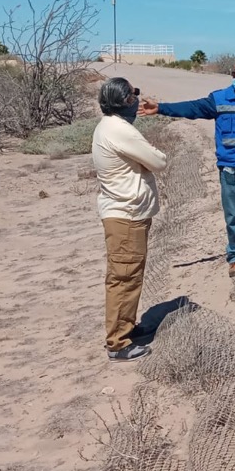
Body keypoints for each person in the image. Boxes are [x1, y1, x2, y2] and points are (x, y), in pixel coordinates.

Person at [138, 56, 235, 278]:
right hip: (232, 171)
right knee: (234, 216)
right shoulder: (220, 99)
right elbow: (192, 108)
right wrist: (160, 108)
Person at [92, 77, 167, 361]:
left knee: (128, 275)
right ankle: (118, 343)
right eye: (133, 96)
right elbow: (158, 161)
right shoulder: (120, 130)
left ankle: (126, 326)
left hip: (125, 212)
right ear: (125, 101)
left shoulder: (109, 127)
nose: (137, 101)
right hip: (126, 214)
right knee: (124, 277)